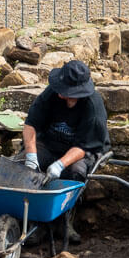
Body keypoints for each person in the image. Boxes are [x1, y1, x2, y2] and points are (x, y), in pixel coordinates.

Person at [21, 60, 110, 244]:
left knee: (76, 171)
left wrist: (60, 164)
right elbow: (31, 125)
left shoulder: (93, 107)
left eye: (66, 92)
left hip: (83, 149)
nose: (61, 94)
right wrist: (31, 156)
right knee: (23, 163)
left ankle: (65, 219)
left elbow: (84, 146)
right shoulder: (51, 94)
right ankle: (34, 220)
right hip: (51, 143)